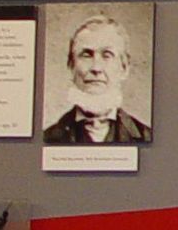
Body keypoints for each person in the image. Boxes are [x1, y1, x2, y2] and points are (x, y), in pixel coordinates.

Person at [42, 13, 152, 144]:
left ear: (124, 68)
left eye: (107, 55)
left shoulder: (146, 137)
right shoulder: (47, 138)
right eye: (86, 55)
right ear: (71, 65)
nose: (96, 68)